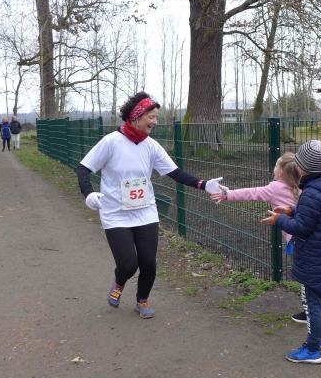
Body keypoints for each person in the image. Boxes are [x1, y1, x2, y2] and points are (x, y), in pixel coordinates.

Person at [76, 91, 222, 319]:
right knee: (128, 264)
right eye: (151, 117)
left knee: (148, 262)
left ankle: (142, 300)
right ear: (136, 116)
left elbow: (175, 173)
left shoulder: (151, 146)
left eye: (156, 117)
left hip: (145, 212)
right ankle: (119, 281)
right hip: (115, 213)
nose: (155, 122)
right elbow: (84, 168)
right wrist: (88, 194)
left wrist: (204, 185)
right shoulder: (111, 142)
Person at [211, 152, 321, 325]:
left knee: (307, 280)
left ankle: (311, 313)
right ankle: (317, 312)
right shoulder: (309, 186)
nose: (274, 168)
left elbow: (252, 193)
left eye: (276, 165)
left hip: (298, 239)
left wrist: (227, 195)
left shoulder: (275, 188)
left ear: (281, 172)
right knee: (316, 279)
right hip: (315, 240)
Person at [263, 140, 321, 364]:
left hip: (313, 260)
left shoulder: (310, 193)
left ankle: (312, 349)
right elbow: (315, 213)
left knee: (313, 303)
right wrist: (291, 209)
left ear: (302, 168)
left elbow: (301, 228)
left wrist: (279, 220)